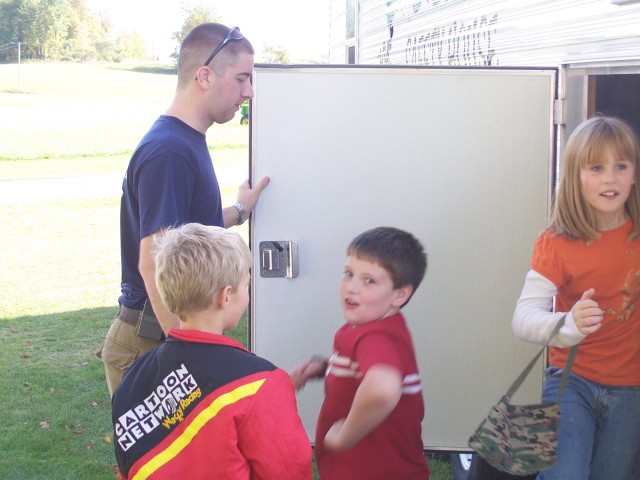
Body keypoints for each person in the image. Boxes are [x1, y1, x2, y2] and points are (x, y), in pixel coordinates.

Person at [97, 23, 270, 396]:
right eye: (242, 78)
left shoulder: (185, 141)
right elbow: (153, 261)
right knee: (161, 457)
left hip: (164, 336)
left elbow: (185, 233)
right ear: (205, 75)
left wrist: (240, 209)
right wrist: (189, 353)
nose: (249, 91)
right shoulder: (171, 151)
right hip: (153, 339)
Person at [112, 223, 312, 479]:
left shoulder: (132, 380)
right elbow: (290, 470)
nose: (248, 294)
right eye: (247, 285)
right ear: (226, 296)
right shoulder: (258, 385)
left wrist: (273, 392)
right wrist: (270, 392)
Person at [512, 116, 640, 480]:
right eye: (596, 167)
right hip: (572, 382)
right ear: (574, 176)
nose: (610, 178)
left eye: (621, 166)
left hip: (632, 388)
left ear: (634, 174)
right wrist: (565, 324)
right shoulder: (556, 242)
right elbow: (523, 317)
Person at [291, 226, 431, 480]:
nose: (351, 287)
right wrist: (324, 367)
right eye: (348, 273)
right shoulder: (368, 327)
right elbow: (364, 369)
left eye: (369, 280)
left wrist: (345, 436)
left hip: (373, 471)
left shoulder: (377, 336)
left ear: (400, 294)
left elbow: (382, 388)